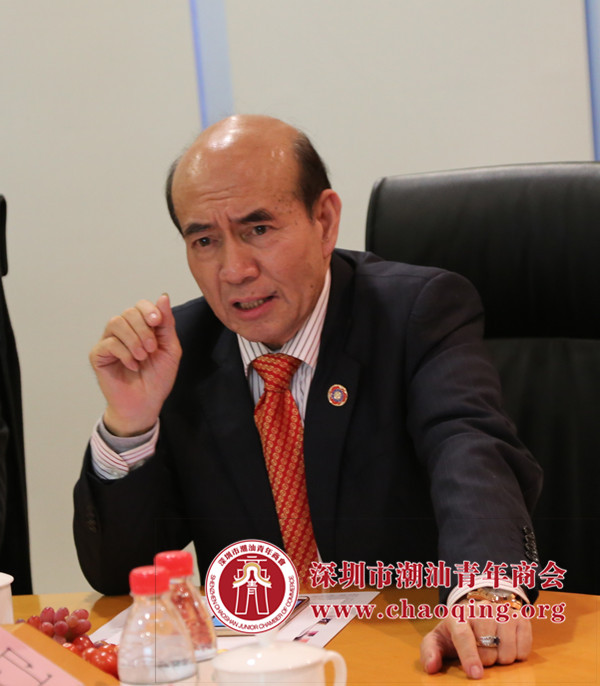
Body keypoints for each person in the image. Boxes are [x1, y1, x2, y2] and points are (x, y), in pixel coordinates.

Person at [74, 114, 542, 679]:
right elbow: (119, 575)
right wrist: (131, 423)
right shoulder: (179, 353)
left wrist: (485, 592)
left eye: (258, 229)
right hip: (260, 668)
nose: (234, 270)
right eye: (205, 241)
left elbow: (468, 447)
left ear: (324, 221)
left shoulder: (417, 314)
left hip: (412, 652)